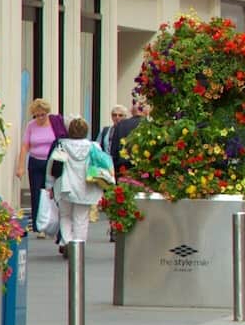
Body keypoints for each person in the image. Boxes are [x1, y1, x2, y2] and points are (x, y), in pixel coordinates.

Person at [46, 117, 112, 251]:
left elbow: (51, 167)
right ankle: (78, 247)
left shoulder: (62, 145)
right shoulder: (94, 147)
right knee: (81, 219)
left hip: (65, 186)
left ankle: (67, 242)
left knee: (65, 216)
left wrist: (49, 186)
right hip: (86, 187)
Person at [18, 99, 64, 233]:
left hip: (52, 163)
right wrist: (20, 167)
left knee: (52, 192)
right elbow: (25, 146)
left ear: (47, 113)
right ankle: (39, 225)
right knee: (36, 193)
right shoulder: (31, 126)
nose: (40, 118)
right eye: (37, 115)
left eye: (43, 115)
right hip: (35, 162)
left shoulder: (54, 123)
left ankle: (53, 222)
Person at [110, 101, 149, 172]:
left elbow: (114, 150)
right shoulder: (149, 125)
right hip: (143, 167)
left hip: (123, 166)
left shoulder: (121, 124)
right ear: (146, 112)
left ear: (131, 112)